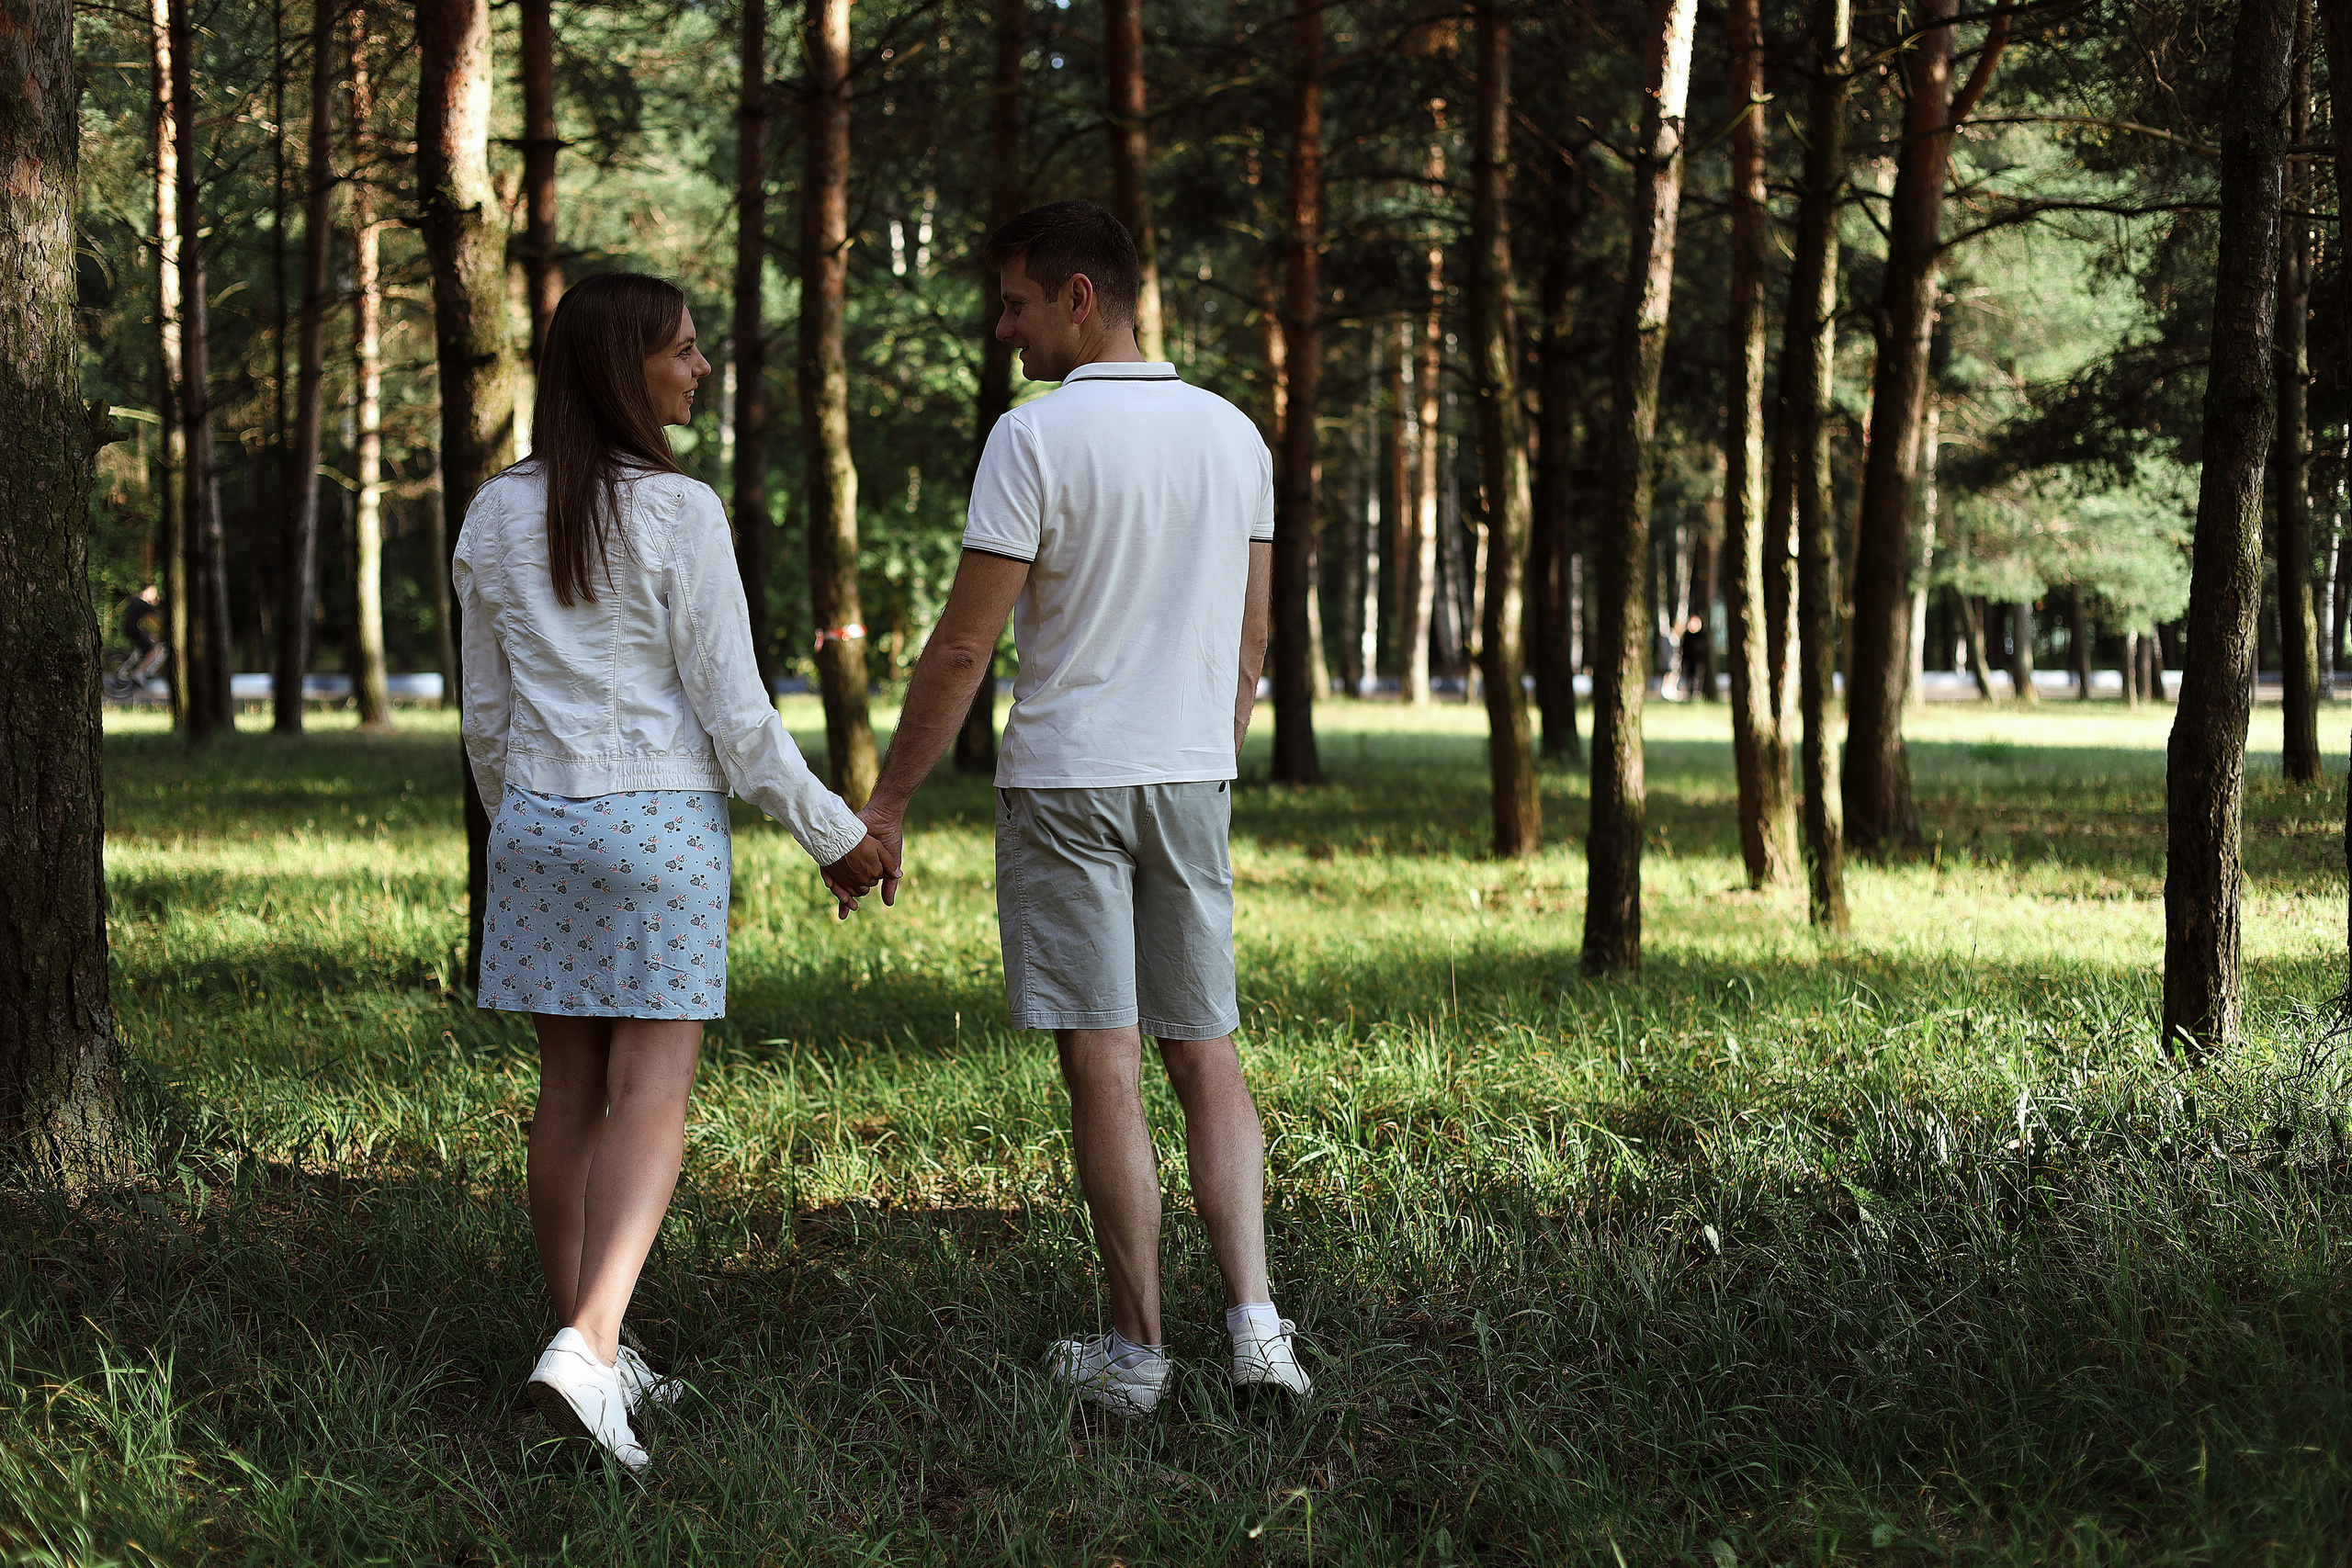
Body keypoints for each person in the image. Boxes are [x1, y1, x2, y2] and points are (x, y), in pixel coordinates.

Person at [854, 200, 1309, 1417]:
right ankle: (1258, 1332)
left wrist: (889, 803)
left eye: (1014, 302)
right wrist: (1203, 757)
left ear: (1078, 298)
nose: (1002, 330)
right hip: (1187, 777)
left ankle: (1139, 1353)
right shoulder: (1234, 436)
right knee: (1204, 1052)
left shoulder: (1034, 439)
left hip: (1066, 783)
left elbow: (962, 649)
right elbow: (1254, 635)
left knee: (1106, 1066)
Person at [454, 272, 896, 1469]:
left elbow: (484, 720)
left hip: (538, 827)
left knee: (566, 1099)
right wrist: (835, 834)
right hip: (656, 835)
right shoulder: (682, 511)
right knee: (651, 1093)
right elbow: (738, 718)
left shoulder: (493, 514)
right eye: (685, 352)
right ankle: (593, 1350)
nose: (700, 369)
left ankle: (588, 1341)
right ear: (625, 368)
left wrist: (523, 829)